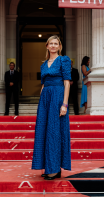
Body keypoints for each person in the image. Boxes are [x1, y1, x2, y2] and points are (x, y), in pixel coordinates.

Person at [32, 35, 71, 180]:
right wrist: (41, 103)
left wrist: (64, 104)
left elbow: (67, 83)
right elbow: (43, 85)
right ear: (47, 46)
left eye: (56, 43)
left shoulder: (63, 60)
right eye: (51, 43)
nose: (53, 46)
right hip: (45, 100)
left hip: (58, 97)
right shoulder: (43, 65)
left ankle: (55, 169)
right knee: (44, 132)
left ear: (59, 46)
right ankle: (49, 167)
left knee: (55, 132)